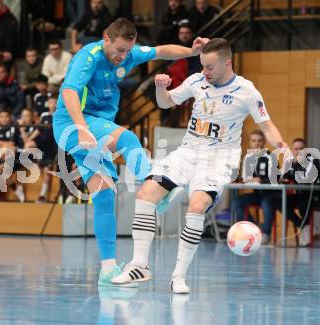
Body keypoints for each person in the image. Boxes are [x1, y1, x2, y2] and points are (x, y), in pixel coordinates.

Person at [111, 38, 287, 293]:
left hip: (218, 159)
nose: (205, 72)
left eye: (210, 67)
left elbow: (267, 126)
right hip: (187, 153)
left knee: (197, 204)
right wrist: (161, 88)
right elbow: (166, 102)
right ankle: (140, 266)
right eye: (203, 66)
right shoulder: (196, 80)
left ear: (227, 63)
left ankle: (179, 276)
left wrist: (282, 146)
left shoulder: (247, 91)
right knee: (146, 194)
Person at [52, 17, 209, 286]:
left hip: (93, 127)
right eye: (118, 50)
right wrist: (80, 127)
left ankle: (108, 268)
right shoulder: (88, 57)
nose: (122, 57)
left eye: (127, 51)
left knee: (103, 195)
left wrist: (193, 51)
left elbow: (161, 51)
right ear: (106, 40)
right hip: (73, 123)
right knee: (128, 139)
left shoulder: (129, 54)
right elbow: (69, 92)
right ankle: (158, 193)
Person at [230, 129, 277, 225]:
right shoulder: (248, 157)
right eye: (254, 141)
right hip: (257, 194)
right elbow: (245, 179)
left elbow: (275, 178)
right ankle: (252, 227)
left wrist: (260, 180)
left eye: (259, 140)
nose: (257, 143)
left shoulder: (271, 157)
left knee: (266, 202)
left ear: (264, 142)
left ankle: (265, 233)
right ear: (250, 143)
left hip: (272, 195)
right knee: (236, 202)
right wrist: (252, 179)